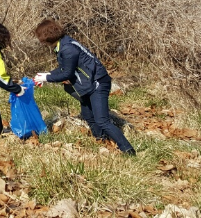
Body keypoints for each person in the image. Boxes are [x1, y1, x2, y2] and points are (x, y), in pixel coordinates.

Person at [33, 19, 135, 155]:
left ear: (47, 37)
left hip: (98, 82)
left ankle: (128, 149)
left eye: (41, 38)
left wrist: (46, 78)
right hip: (88, 84)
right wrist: (47, 75)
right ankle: (101, 140)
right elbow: (64, 68)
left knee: (102, 120)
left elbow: (67, 73)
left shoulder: (68, 48)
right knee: (88, 115)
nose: (41, 42)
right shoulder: (62, 45)